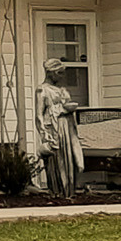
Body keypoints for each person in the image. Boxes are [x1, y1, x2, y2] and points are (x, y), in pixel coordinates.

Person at [36, 58, 83, 195]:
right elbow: (39, 115)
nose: (61, 77)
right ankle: (57, 191)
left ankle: (69, 191)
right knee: (56, 160)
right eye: (59, 73)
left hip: (67, 126)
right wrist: (44, 135)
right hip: (54, 128)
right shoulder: (42, 90)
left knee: (70, 158)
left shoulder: (61, 90)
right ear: (51, 73)